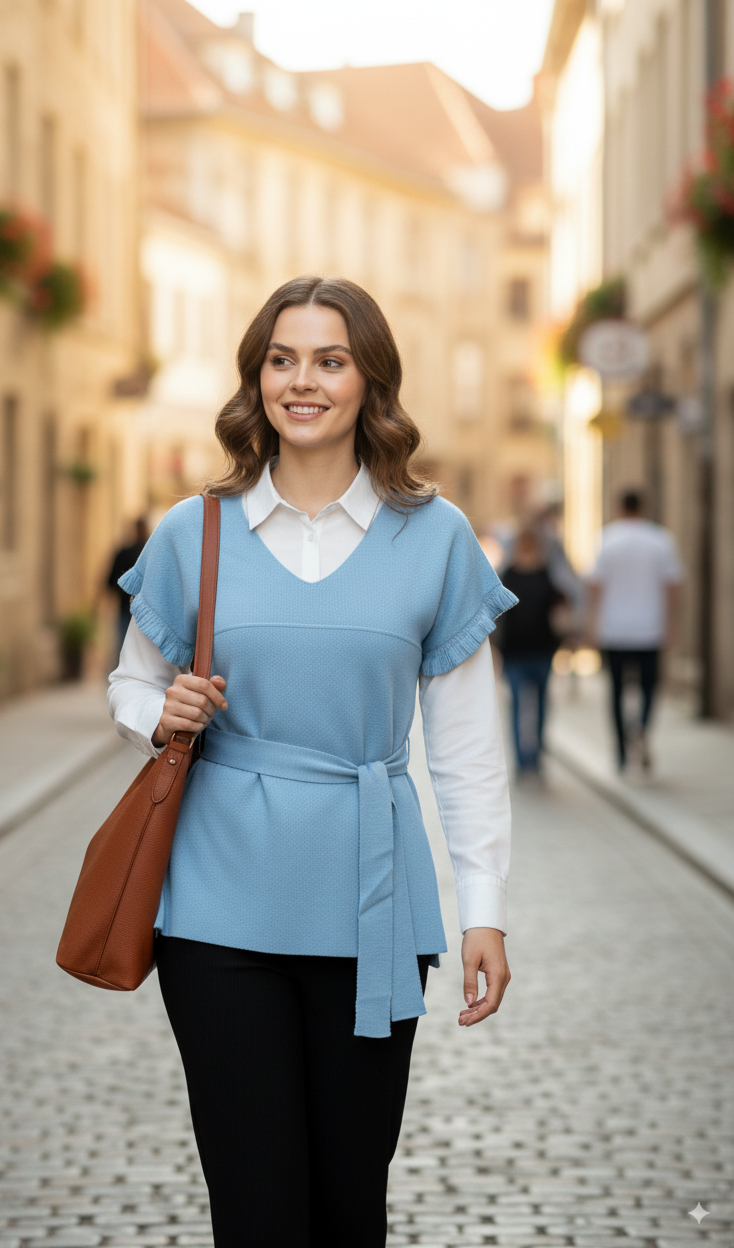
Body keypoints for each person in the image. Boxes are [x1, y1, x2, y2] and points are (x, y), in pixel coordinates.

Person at [107, 277, 516, 1248]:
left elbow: (463, 745)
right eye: (281, 359)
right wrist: (160, 712)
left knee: (347, 1202)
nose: (303, 381)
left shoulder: (436, 536)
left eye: (329, 360)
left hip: (373, 904)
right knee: (254, 1203)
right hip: (215, 909)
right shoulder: (192, 530)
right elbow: (130, 684)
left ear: (369, 380)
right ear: (256, 379)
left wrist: (483, 911)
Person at [587, 489, 683, 770]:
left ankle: (619, 751)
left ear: (619, 507)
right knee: (649, 687)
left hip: (614, 628)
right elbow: (672, 586)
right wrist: (671, 623)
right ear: (643, 508)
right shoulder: (661, 539)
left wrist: (591, 624)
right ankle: (641, 727)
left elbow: (595, 587)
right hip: (649, 628)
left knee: (616, 689)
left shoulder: (607, 539)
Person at [496, 528, 565, 776]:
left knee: (541, 706)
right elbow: (496, 616)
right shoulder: (507, 575)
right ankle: (521, 760)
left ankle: (535, 757)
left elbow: (560, 605)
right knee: (516, 705)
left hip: (542, 650)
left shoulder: (547, 573)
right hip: (514, 653)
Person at [105, 516, 148, 666]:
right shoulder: (151, 552)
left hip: (128, 609)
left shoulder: (124, 552)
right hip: (142, 611)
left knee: (126, 647)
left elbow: (110, 582)